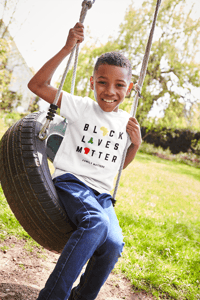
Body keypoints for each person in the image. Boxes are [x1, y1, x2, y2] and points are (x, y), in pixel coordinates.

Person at [28, 22, 142, 300]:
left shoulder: (126, 121)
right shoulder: (80, 106)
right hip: (72, 182)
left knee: (114, 244)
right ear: (92, 82)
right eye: (102, 82)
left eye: (119, 85)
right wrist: (68, 48)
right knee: (96, 223)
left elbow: (117, 167)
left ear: (130, 87)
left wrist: (136, 144)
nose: (109, 91)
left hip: (103, 195)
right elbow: (37, 85)